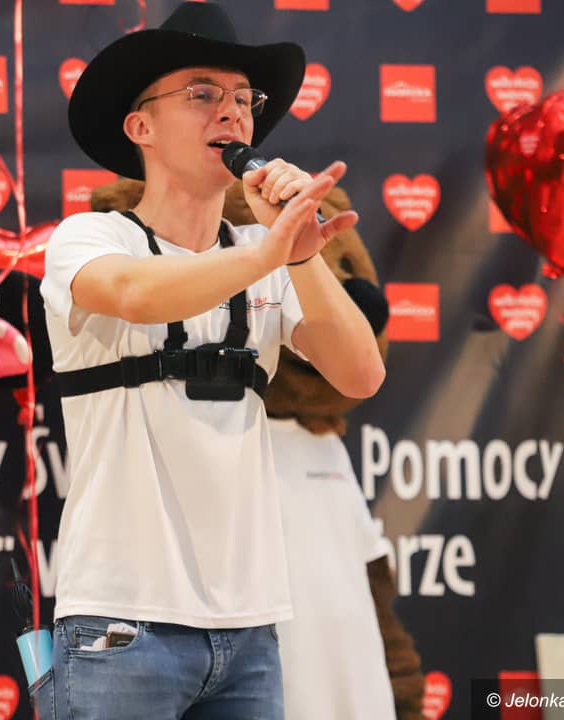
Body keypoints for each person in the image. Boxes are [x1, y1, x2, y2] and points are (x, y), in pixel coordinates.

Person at [36, 4, 385, 719]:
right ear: (141, 127)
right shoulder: (91, 237)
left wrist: (301, 253)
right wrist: (267, 252)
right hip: (119, 623)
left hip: (249, 630)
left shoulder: (264, 255)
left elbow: (360, 374)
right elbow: (134, 295)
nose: (231, 113)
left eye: (243, 99)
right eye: (202, 94)